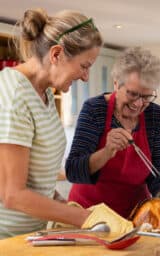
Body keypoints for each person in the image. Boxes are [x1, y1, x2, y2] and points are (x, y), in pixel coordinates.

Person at [0, 8, 133, 239]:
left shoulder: (45, 93)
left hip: (29, 236)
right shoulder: (14, 96)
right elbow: (12, 194)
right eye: (84, 66)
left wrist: (66, 205)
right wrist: (87, 220)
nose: (86, 77)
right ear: (56, 54)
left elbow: (36, 181)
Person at [66, 46, 160, 218]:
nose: (138, 104)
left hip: (136, 217)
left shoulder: (157, 117)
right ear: (116, 83)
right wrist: (107, 151)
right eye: (132, 94)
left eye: (146, 97)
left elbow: (158, 173)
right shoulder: (94, 110)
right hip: (88, 216)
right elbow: (73, 171)